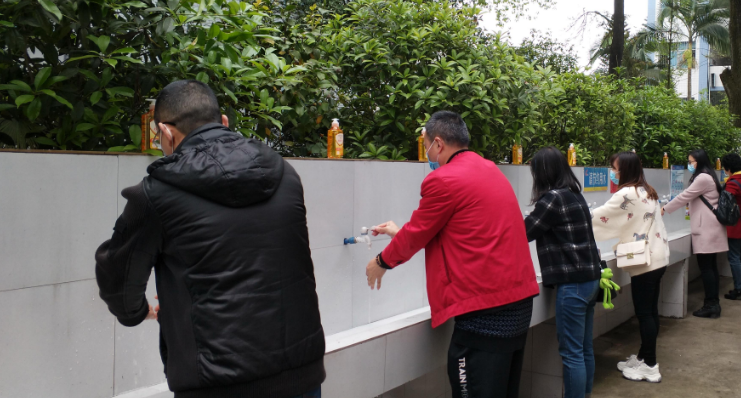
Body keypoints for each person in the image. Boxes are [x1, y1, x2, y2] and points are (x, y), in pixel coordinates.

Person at [95, 80, 326, 398]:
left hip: (218, 383)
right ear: (224, 122)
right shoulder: (284, 174)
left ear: (165, 132)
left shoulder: (157, 194)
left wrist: (136, 312)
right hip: (302, 375)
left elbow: (117, 277)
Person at [365, 111, 539, 398]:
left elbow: (418, 233)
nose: (427, 154)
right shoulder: (489, 170)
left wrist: (381, 261)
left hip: (485, 311)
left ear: (438, 143)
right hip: (517, 304)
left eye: (425, 146)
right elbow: (462, 231)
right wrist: (399, 233)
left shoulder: (443, 179)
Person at [524, 147, 601, 397]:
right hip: (590, 280)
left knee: (571, 354)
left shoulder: (552, 199)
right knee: (584, 349)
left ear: (543, 172)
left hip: (573, 285)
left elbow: (524, 232)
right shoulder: (574, 194)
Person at [592, 152, 669, 383]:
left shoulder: (626, 193)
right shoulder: (647, 190)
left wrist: (573, 217)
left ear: (624, 169)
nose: (613, 172)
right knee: (651, 312)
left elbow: (600, 216)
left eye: (615, 168)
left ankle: (651, 366)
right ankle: (644, 357)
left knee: (644, 314)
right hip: (658, 257)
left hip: (644, 263)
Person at [663, 149, 727, 318]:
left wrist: (665, 208)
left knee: (707, 268)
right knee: (710, 267)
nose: (689, 165)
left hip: (706, 228)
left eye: (691, 162)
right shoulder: (709, 175)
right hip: (710, 227)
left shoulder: (703, 178)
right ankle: (713, 304)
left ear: (699, 161)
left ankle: (711, 304)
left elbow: (685, 196)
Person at [720, 153, 741, 301]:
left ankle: (738, 288)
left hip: (735, 225)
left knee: (734, 257)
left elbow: (725, 203)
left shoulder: (733, 183)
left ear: (728, 168)